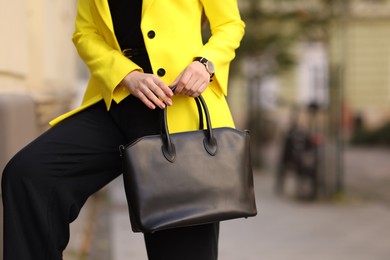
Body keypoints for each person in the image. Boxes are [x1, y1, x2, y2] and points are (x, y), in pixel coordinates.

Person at [1, 0, 245, 259]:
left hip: (178, 107)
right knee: (31, 174)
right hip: (116, 99)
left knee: (180, 245)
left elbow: (230, 24)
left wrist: (205, 64)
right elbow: (86, 33)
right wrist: (126, 74)